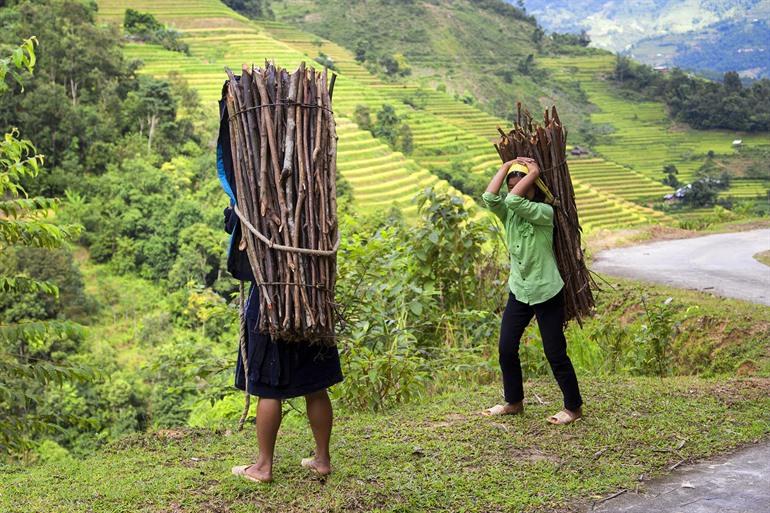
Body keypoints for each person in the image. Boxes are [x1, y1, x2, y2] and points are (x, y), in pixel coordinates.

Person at [215, 83, 343, 484]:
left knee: (267, 386)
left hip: (272, 296)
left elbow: (237, 232)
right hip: (312, 294)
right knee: (315, 385)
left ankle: (263, 466)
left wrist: (235, 212)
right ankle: (321, 459)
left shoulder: (255, 200)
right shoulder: (312, 199)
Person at [480, 157, 583, 425]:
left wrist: (535, 171)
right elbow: (490, 198)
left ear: (534, 188)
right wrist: (506, 166)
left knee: (555, 352)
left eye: (524, 186)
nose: (516, 190)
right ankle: (513, 402)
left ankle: (573, 408)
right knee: (506, 348)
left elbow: (513, 200)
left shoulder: (545, 213)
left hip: (546, 290)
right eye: (512, 185)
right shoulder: (509, 215)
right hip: (520, 289)